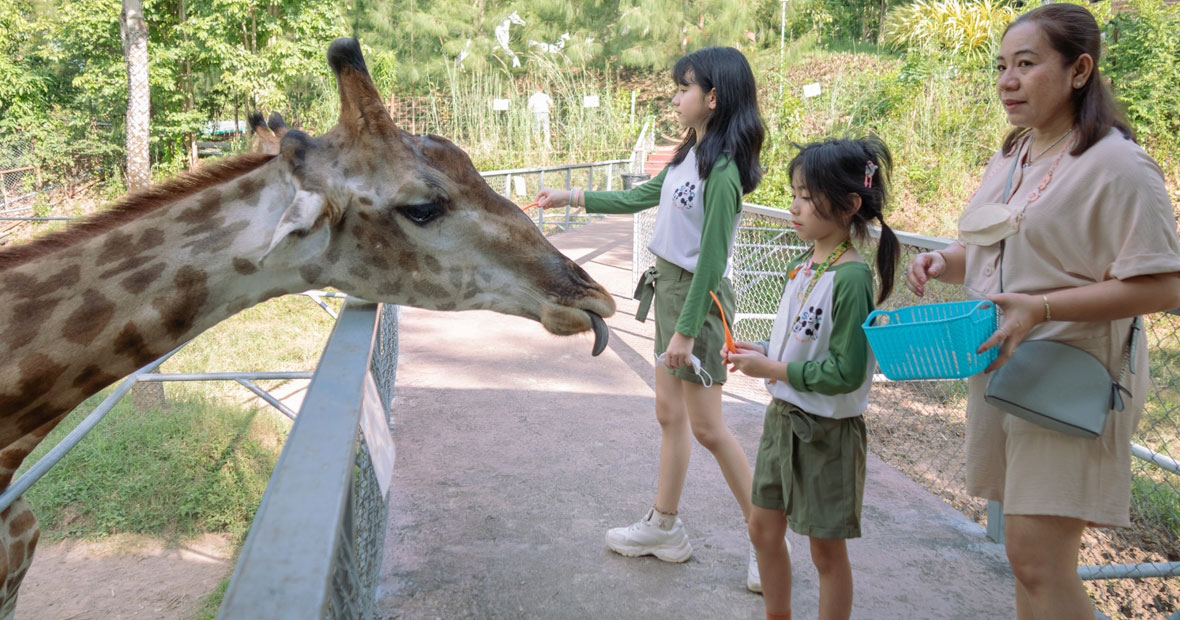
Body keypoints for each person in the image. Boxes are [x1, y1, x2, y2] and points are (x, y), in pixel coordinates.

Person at [903, 5, 1180, 619]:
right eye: (1002, 66)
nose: (1007, 80)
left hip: (1072, 376)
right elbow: (999, 244)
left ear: (1079, 69)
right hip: (1006, 364)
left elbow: (1165, 286)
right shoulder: (1015, 154)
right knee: (1027, 565)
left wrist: (1043, 306)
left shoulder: (1118, 165)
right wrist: (944, 263)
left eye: (1026, 65)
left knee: (1036, 558)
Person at [534, 46, 765, 590]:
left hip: (699, 302)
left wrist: (685, 331)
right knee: (669, 413)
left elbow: (712, 259)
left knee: (709, 427)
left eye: (684, 87)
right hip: (669, 289)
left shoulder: (725, 169)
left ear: (713, 96)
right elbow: (642, 196)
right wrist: (571, 194)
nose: (676, 96)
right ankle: (664, 526)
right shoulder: (691, 153)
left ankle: (766, 537)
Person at [726, 137, 900, 620]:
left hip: (828, 436)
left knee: (825, 553)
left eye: (805, 196)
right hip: (784, 420)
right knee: (763, 530)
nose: (793, 206)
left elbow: (845, 372)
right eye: (794, 193)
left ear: (848, 205)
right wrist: (759, 352)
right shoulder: (802, 266)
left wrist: (774, 369)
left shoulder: (850, 278)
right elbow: (800, 344)